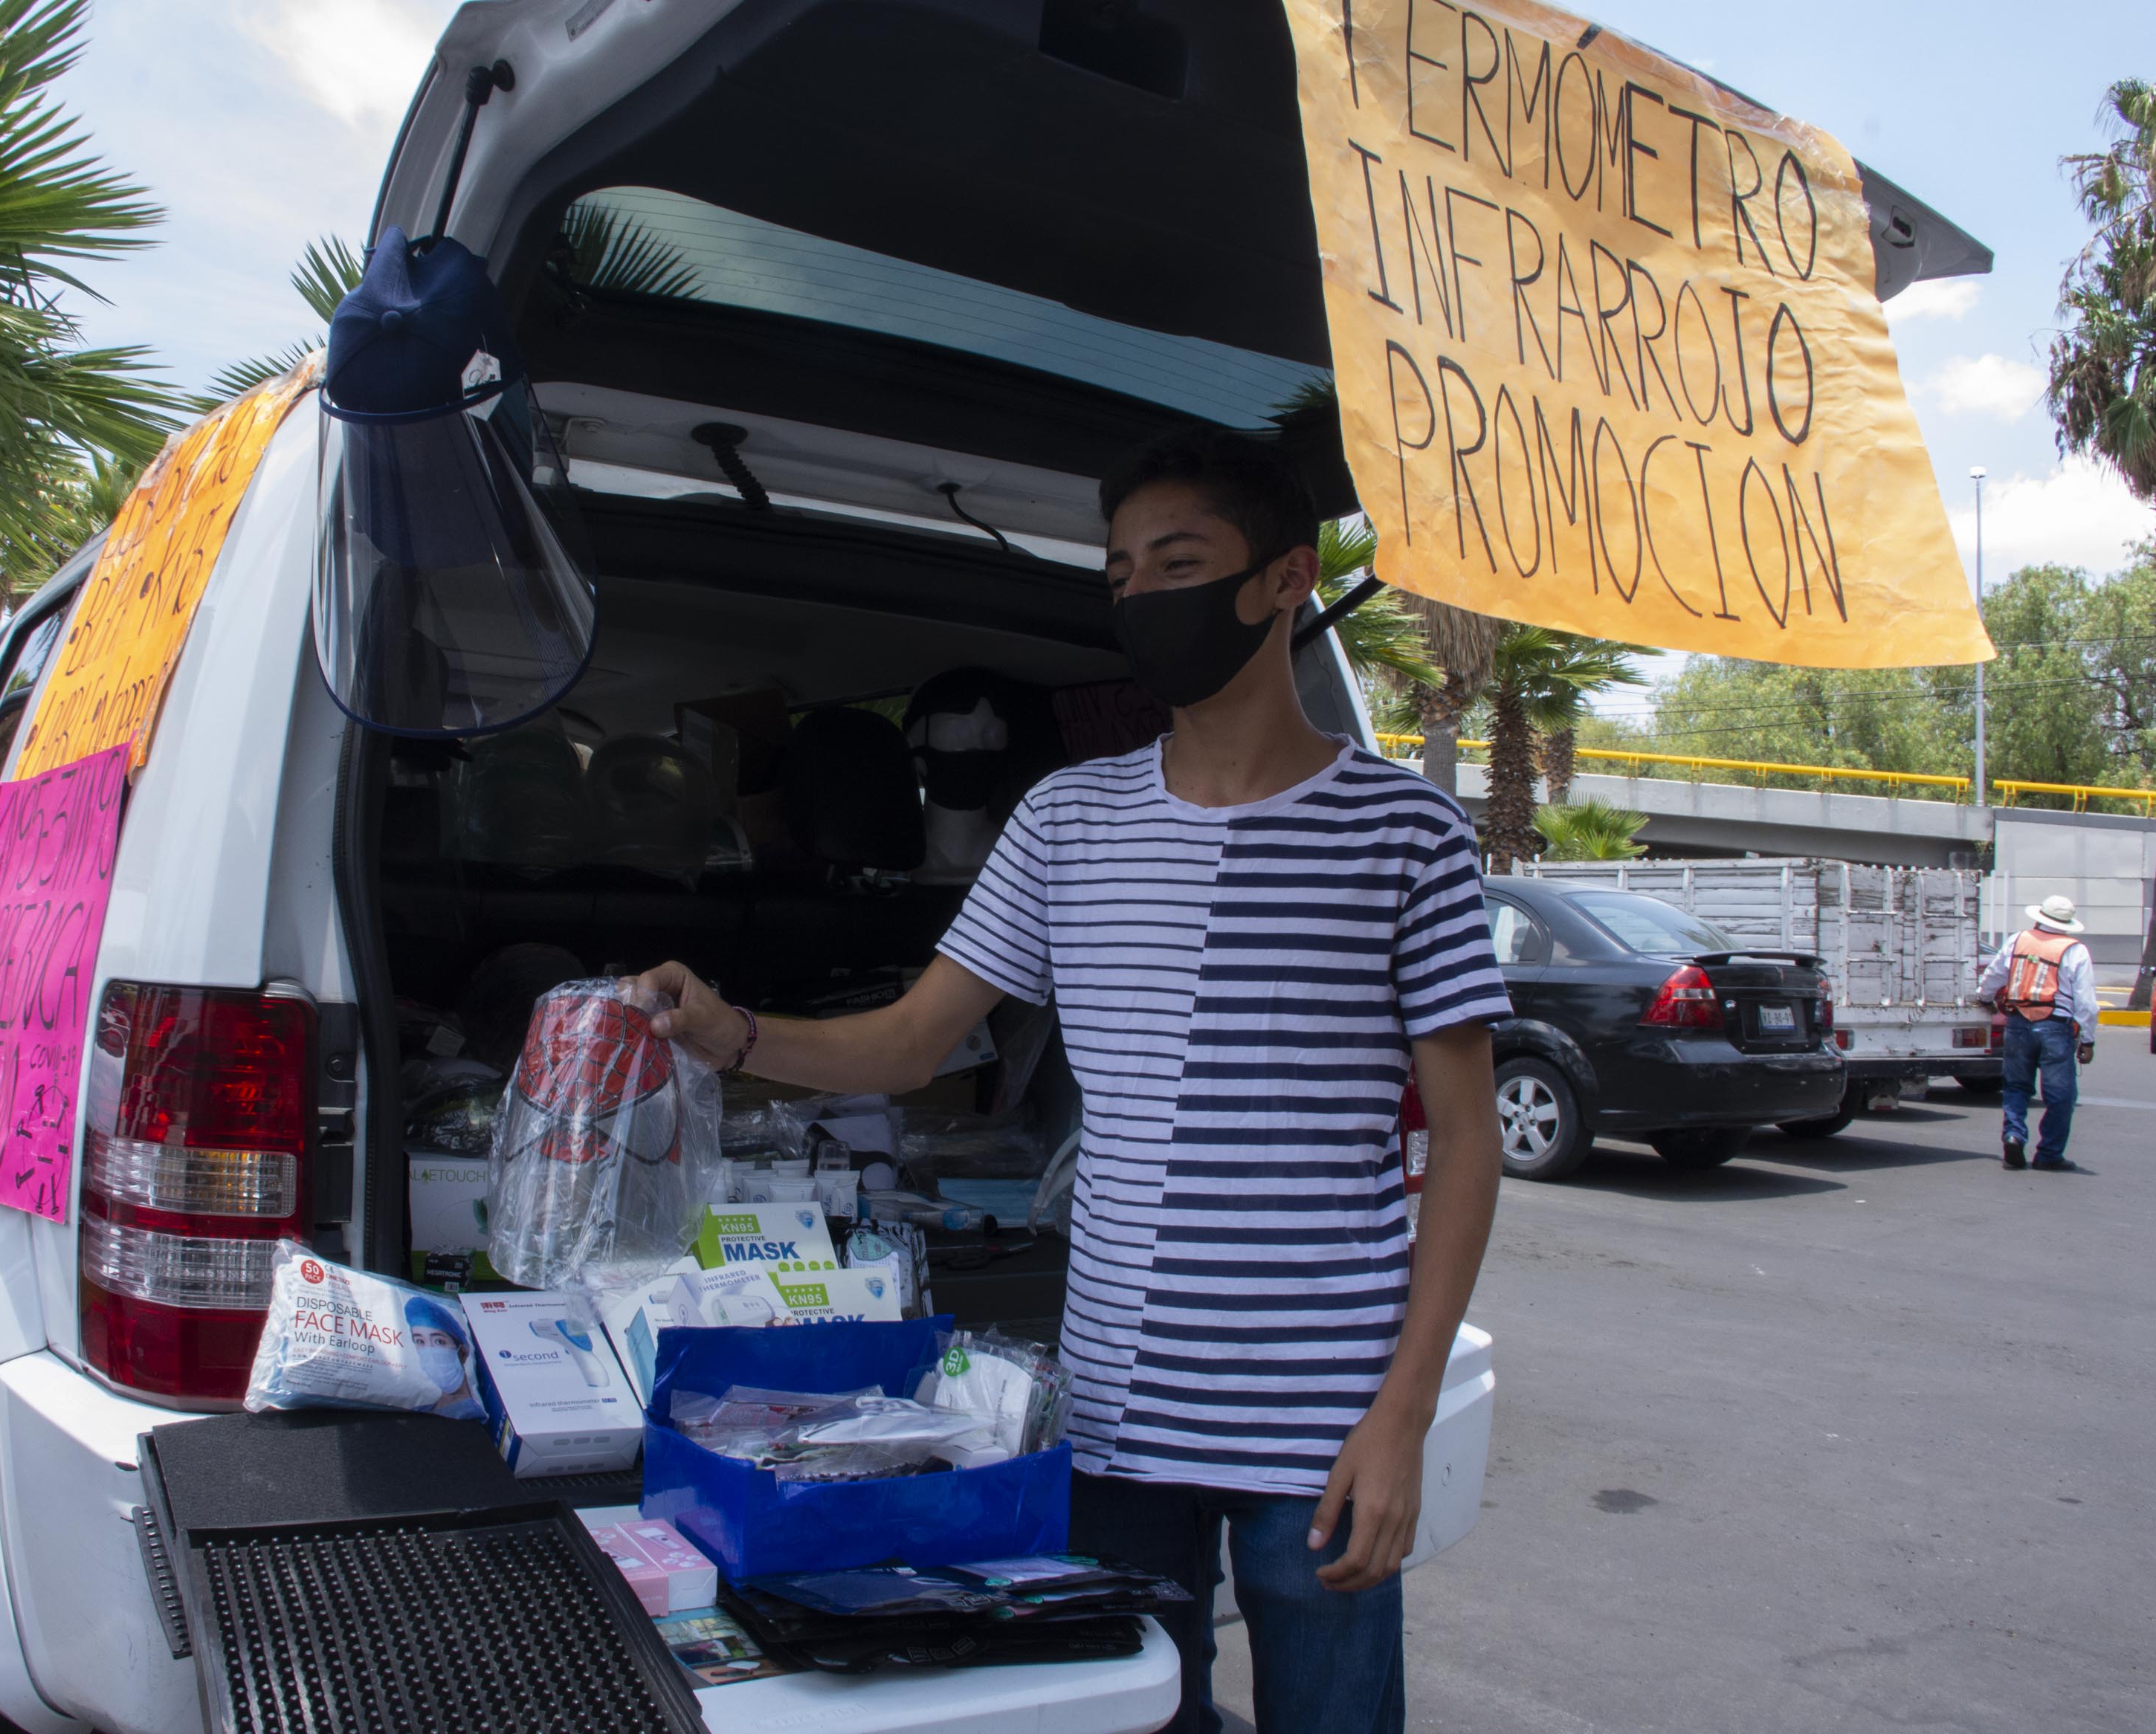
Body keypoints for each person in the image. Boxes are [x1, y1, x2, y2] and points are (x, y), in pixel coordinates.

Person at [634, 427, 1507, 1733]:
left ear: (1284, 578)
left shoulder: (1406, 832)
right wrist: (733, 1033)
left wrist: (1405, 1413)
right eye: (1118, 575)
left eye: (1178, 562)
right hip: (1113, 1414)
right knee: (1130, 1718)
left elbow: (1468, 1140)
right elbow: (912, 1041)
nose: (1142, 597)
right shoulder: (1065, 820)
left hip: (1324, 1425)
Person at [1976, 894, 2098, 1171]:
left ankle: (2014, 1135)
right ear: (2067, 925)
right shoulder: (2075, 950)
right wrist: (2088, 1040)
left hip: (2018, 1023)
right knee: (2059, 1095)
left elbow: (1994, 975)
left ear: (2038, 918)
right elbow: (2087, 1003)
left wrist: (1983, 997)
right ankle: (2049, 1154)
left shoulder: (2018, 940)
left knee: (2016, 1086)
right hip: (2056, 1027)